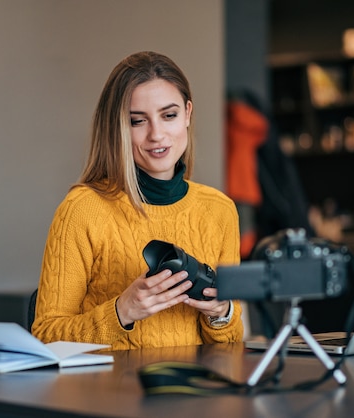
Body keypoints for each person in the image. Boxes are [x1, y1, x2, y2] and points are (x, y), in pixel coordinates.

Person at [31, 51, 243, 350]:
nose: (157, 134)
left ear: (187, 114)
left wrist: (222, 313)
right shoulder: (82, 209)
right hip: (105, 393)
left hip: (191, 390)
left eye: (169, 115)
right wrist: (121, 311)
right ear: (117, 127)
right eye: (137, 121)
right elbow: (45, 335)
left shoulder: (219, 210)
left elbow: (228, 346)